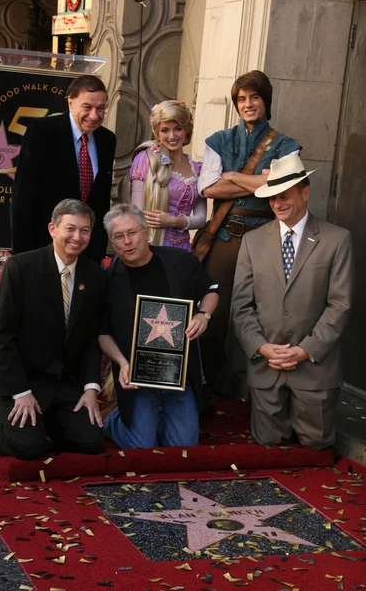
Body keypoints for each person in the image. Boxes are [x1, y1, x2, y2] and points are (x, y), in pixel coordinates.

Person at [231, 155, 354, 449]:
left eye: (284, 196)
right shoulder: (252, 241)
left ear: (305, 191)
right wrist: (261, 347)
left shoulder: (337, 240)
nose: (277, 204)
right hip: (266, 366)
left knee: (316, 446)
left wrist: (304, 350)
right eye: (272, 197)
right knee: (269, 444)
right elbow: (241, 306)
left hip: (314, 368)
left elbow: (340, 305)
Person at [0, 199, 108, 460]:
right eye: (70, 228)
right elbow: (1, 335)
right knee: (29, 449)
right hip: (22, 378)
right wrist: (20, 392)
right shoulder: (21, 268)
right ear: (52, 229)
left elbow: (91, 339)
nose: (77, 237)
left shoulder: (95, 276)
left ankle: (43, 421)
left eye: (85, 230)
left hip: (62, 382)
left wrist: (91, 388)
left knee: (92, 442)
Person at [198, 70, 301, 393]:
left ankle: (260, 388)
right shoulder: (219, 140)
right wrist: (258, 182)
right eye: (241, 99)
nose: (248, 104)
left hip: (267, 238)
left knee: (266, 313)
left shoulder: (286, 145)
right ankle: (207, 386)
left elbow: (279, 187)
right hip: (225, 236)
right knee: (214, 311)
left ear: (265, 100)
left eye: (254, 97)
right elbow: (208, 189)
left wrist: (234, 176)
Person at [98, 204, 219, 449]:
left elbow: (211, 291)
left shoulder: (180, 261)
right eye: (118, 236)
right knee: (143, 448)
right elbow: (102, 332)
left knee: (183, 448)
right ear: (112, 241)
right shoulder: (108, 280)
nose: (127, 241)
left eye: (132, 233)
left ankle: (157, 421)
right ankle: (112, 419)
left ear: (146, 232)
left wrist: (203, 316)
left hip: (179, 375)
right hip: (137, 377)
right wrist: (121, 363)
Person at [11, 75, 116, 264]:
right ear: (70, 103)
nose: (94, 115)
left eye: (100, 108)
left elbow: (100, 200)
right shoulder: (42, 132)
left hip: (87, 253)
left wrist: (99, 251)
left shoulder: (107, 140)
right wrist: (22, 257)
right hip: (44, 249)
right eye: (87, 107)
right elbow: (23, 196)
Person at [130, 100, 206, 250]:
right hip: (151, 245)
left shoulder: (198, 169)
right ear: (157, 132)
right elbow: (136, 213)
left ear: (187, 129)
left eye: (178, 129)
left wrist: (173, 221)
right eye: (165, 130)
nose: (172, 136)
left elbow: (202, 219)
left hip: (182, 248)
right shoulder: (146, 159)